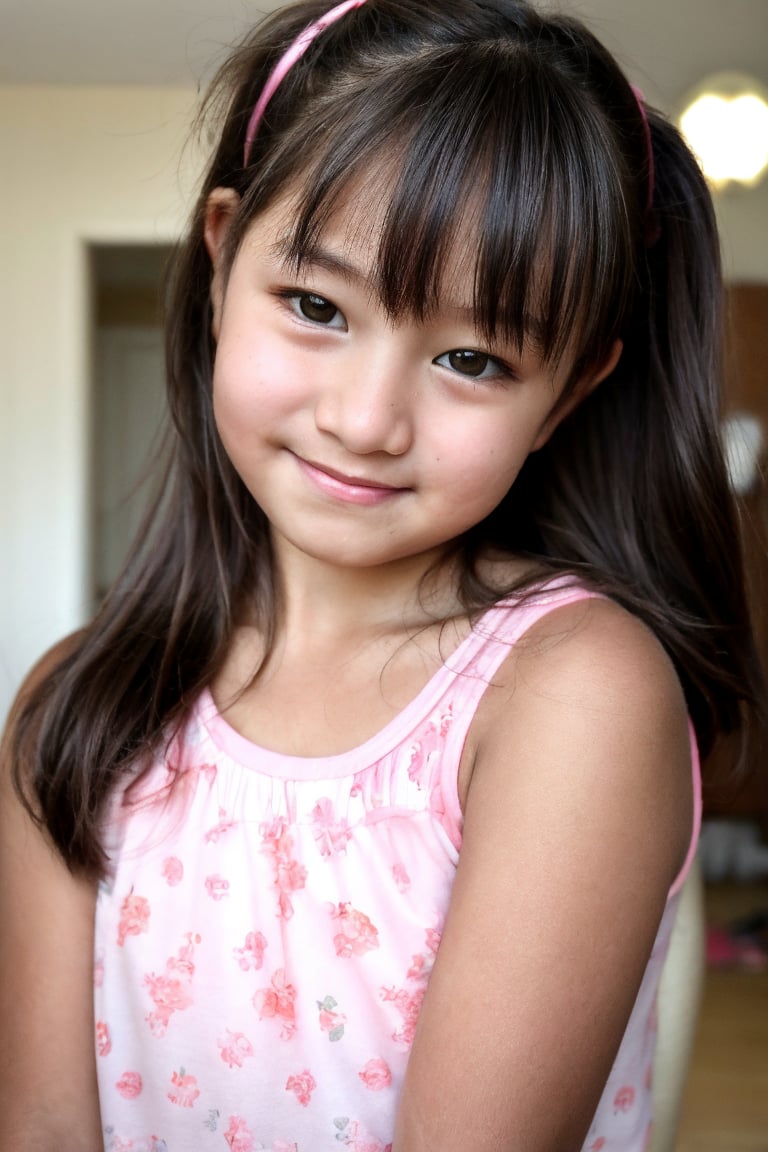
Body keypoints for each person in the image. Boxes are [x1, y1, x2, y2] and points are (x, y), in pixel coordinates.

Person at [1, 1, 763, 1149]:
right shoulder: (77, 704)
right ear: (220, 259)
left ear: (568, 389)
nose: (365, 421)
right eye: (316, 306)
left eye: (472, 358)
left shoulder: (569, 694)